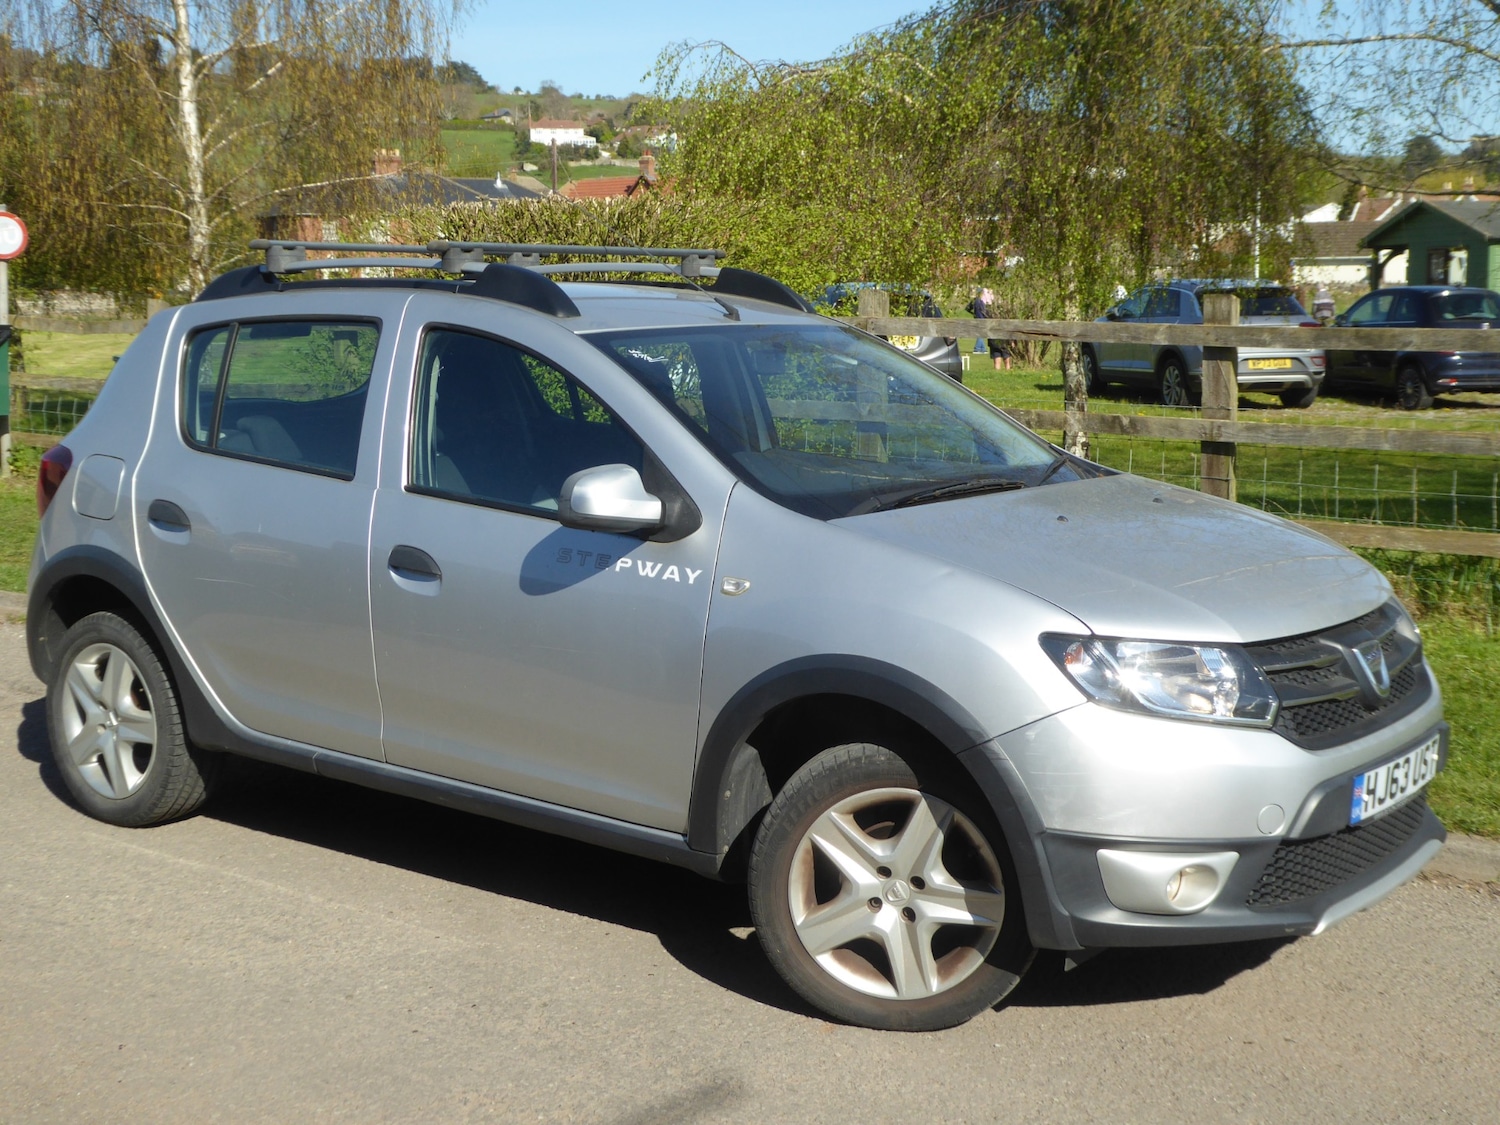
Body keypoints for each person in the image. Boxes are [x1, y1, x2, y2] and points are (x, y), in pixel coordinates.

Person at [968, 288, 988, 353]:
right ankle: (977, 348)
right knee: (980, 334)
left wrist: (973, 313)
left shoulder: (974, 301)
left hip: (976, 318)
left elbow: (967, 309)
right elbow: (984, 312)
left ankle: (983, 348)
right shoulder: (980, 302)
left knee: (981, 334)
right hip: (981, 319)